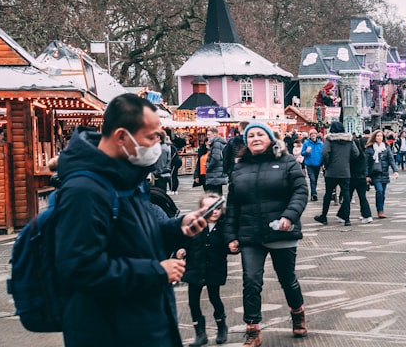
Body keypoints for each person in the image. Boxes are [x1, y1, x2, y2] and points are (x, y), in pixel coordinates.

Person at [54, 93, 209, 347]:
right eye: (151, 137)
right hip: (110, 330)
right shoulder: (84, 190)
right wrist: (156, 271)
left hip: (143, 323)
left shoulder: (125, 177)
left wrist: (178, 227)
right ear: (121, 137)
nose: (157, 145)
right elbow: (81, 268)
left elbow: (136, 233)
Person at [224, 121, 309, 346]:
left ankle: (298, 313)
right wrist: (230, 235)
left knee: (287, 279)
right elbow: (232, 204)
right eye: (250, 135)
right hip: (250, 234)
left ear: (271, 138)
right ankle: (252, 328)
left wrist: (289, 216)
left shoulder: (287, 161)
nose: (255, 138)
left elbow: (300, 191)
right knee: (251, 281)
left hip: (281, 231)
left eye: (260, 134)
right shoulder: (239, 168)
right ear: (246, 142)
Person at [184, 192, 230, 346]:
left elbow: (229, 244)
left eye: (218, 208)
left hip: (214, 268)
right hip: (194, 267)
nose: (215, 211)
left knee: (214, 298)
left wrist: (233, 246)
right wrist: (180, 250)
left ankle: (221, 326)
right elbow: (185, 240)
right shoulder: (195, 225)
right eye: (210, 208)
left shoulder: (224, 226)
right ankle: (200, 333)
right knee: (193, 302)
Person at [314, 120, 361, 226]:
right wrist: (347, 161)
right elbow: (356, 153)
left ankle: (324, 216)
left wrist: (327, 164)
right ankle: (347, 219)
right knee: (346, 194)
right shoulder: (349, 139)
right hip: (345, 170)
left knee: (328, 193)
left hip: (331, 171)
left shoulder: (329, 139)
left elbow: (325, 153)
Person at [366, 129, 399, 218]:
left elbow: (391, 160)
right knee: (379, 191)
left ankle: (381, 209)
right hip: (375, 173)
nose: (379, 137)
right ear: (374, 137)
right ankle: (379, 210)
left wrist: (395, 171)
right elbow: (367, 163)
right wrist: (367, 175)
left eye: (381, 136)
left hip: (384, 172)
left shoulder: (386, 148)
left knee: (382, 193)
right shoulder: (370, 149)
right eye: (377, 136)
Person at [342, 132, 373, 224]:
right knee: (362, 197)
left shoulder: (351, 156)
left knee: (348, 196)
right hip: (362, 178)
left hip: (352, 177)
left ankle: (343, 214)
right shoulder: (363, 155)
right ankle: (367, 215)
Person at [301, 129, 323, 201]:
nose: (313, 135)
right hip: (309, 164)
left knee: (315, 179)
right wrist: (306, 152)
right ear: (310, 135)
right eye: (311, 134)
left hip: (317, 164)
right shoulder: (306, 143)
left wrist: (322, 164)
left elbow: (323, 154)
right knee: (312, 179)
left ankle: (313, 193)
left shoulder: (320, 144)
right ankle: (314, 194)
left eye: (314, 134)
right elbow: (302, 153)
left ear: (316, 135)